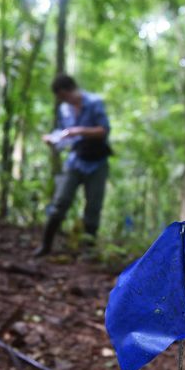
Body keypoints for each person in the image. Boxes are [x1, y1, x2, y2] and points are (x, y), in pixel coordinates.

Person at [33, 74, 112, 257]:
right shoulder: (64, 109)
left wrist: (80, 130)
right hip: (75, 160)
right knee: (60, 201)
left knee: (93, 207)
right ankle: (46, 245)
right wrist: (54, 140)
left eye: (64, 95)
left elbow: (103, 130)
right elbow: (65, 135)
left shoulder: (94, 102)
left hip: (97, 162)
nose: (64, 100)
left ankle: (88, 250)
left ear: (70, 90)